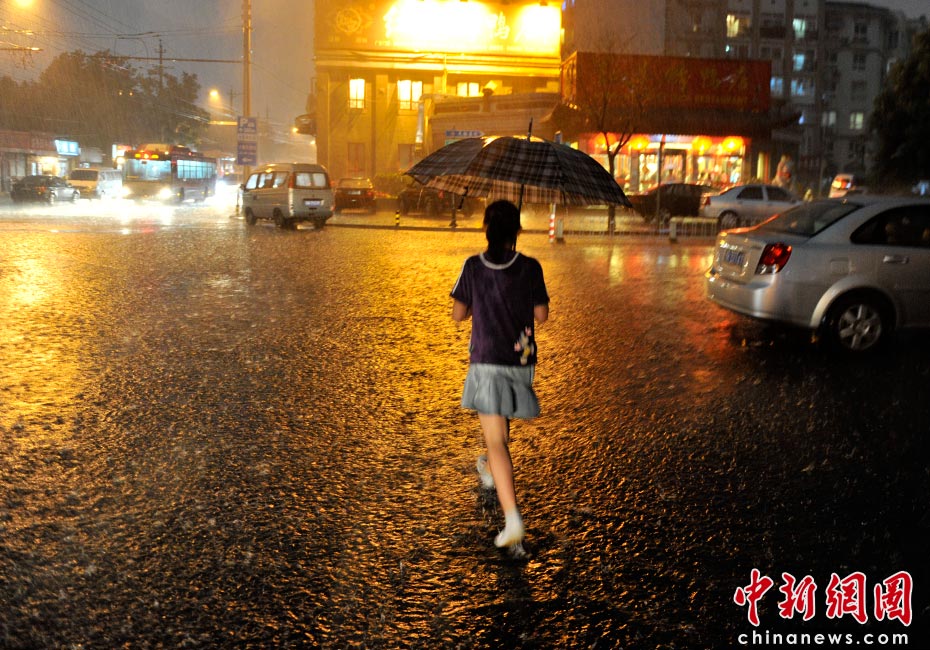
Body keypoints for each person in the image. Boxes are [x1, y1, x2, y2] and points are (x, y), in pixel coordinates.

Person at [450, 200, 550, 548]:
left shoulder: (473, 266)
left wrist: (479, 302)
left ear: (486, 229)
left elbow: (458, 314)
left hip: (488, 360)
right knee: (499, 433)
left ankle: (512, 519)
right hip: (521, 361)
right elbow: (542, 315)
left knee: (495, 441)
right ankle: (492, 473)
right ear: (516, 231)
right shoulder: (530, 267)